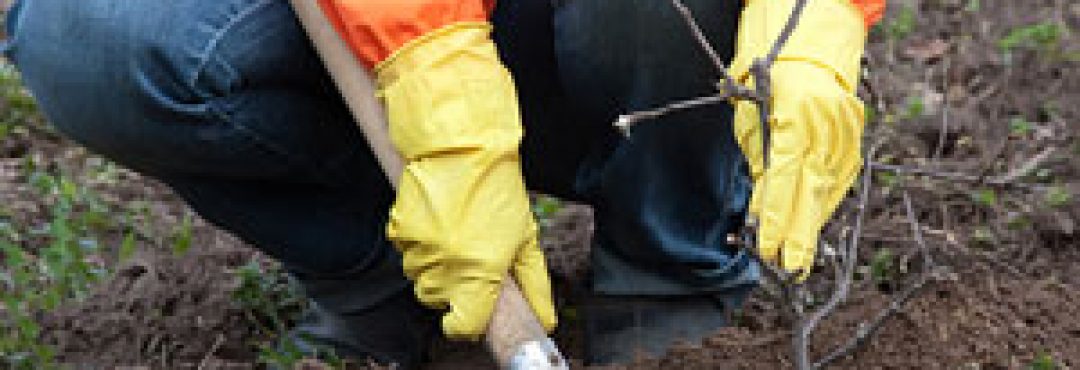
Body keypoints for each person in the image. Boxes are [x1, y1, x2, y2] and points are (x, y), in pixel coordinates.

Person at [4, 0, 883, 367]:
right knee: (91, 30)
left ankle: (672, 261)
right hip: (356, 35)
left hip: (597, 34)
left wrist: (817, 12)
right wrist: (430, 67)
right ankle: (394, 282)